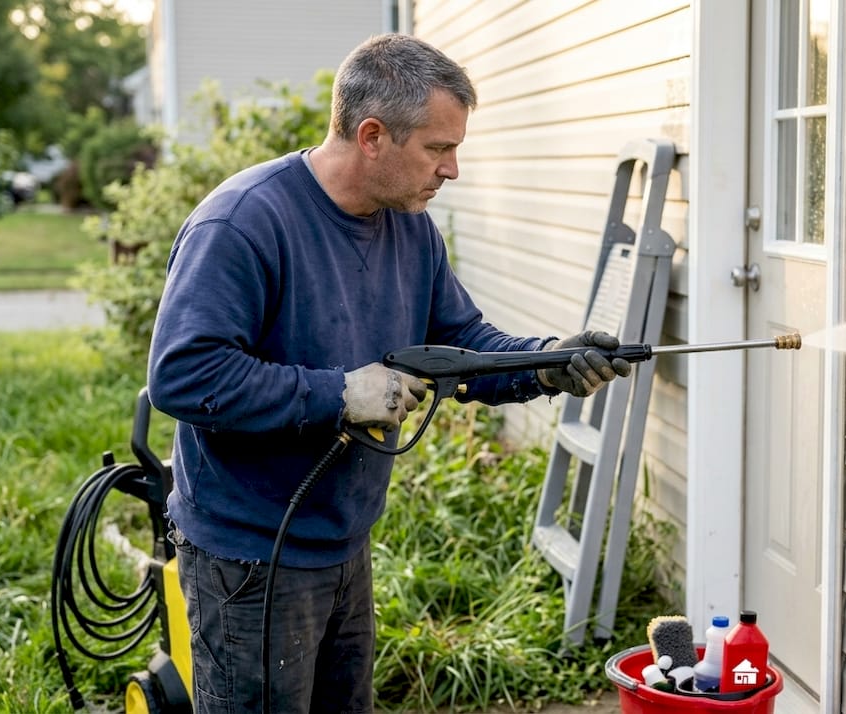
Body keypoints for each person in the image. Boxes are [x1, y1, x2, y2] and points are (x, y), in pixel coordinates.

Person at [146, 33, 631, 714]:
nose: (452, 170)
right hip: (249, 560)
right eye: (439, 149)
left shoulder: (409, 226)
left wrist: (552, 362)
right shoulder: (244, 222)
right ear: (372, 135)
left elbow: (462, 345)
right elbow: (184, 375)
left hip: (344, 542)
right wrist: (341, 393)